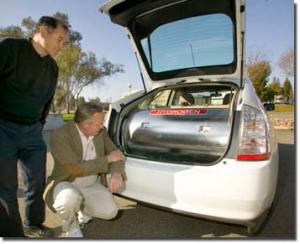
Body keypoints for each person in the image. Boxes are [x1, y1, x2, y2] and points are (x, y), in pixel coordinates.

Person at [0, 16, 69, 237]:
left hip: (32, 131)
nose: (62, 45)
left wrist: (38, 125)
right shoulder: (10, 48)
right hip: (3, 128)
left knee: (36, 182)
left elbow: (47, 101)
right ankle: (12, 236)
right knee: (6, 189)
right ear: (43, 31)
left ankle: (34, 223)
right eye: (59, 39)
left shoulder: (52, 67)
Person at [44, 102, 126, 238]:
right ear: (85, 125)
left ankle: (80, 209)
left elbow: (114, 152)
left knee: (111, 211)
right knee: (67, 200)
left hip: (91, 185)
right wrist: (107, 160)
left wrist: (116, 173)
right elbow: (75, 168)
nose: (102, 126)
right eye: (99, 123)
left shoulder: (101, 132)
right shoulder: (60, 135)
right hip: (67, 183)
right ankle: (71, 225)